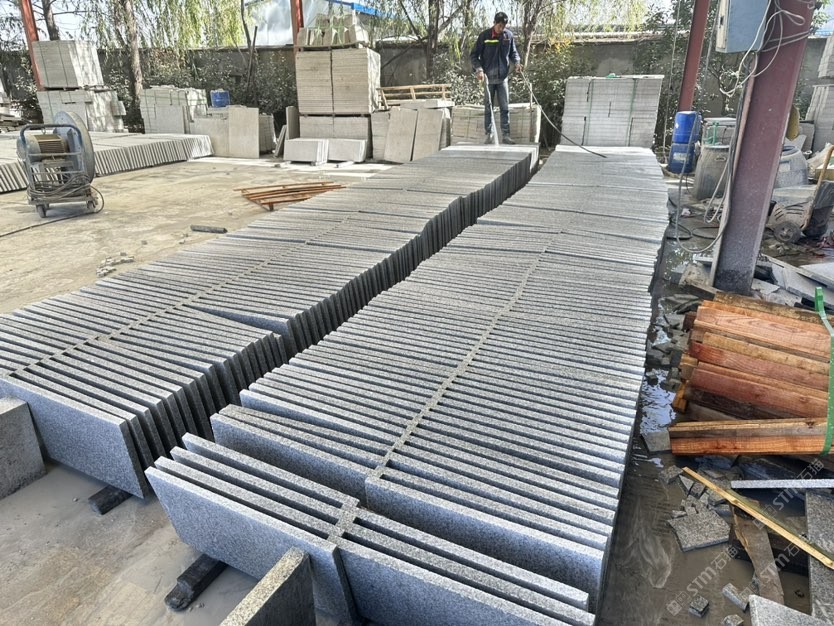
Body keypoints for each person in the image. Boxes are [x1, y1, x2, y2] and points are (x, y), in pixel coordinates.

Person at [470, 12, 522, 144]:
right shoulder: (484, 36)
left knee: (505, 107)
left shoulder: (508, 36)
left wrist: (517, 63)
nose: (501, 28)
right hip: (488, 78)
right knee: (489, 107)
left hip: (502, 77)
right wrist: (479, 69)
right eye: (499, 26)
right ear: (494, 23)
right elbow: (474, 55)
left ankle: (506, 135)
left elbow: (513, 53)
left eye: (504, 26)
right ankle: (489, 134)